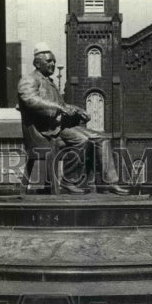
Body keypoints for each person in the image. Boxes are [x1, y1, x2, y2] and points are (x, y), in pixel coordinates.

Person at [17, 43, 128, 194]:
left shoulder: (49, 82)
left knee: (102, 139)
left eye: (54, 61)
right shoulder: (29, 80)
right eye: (49, 61)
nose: (53, 64)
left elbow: (62, 105)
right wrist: (58, 107)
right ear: (37, 63)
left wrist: (77, 110)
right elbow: (30, 99)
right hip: (44, 131)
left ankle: (109, 183)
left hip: (59, 127)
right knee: (82, 141)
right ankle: (69, 181)